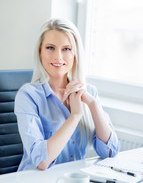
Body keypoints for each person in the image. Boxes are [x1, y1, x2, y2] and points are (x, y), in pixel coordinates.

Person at [14, 18, 120, 171]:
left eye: (66, 49)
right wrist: (75, 115)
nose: (58, 56)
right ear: (40, 52)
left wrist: (93, 105)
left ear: (75, 54)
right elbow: (41, 161)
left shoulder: (89, 92)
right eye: (50, 47)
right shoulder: (28, 96)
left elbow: (110, 152)